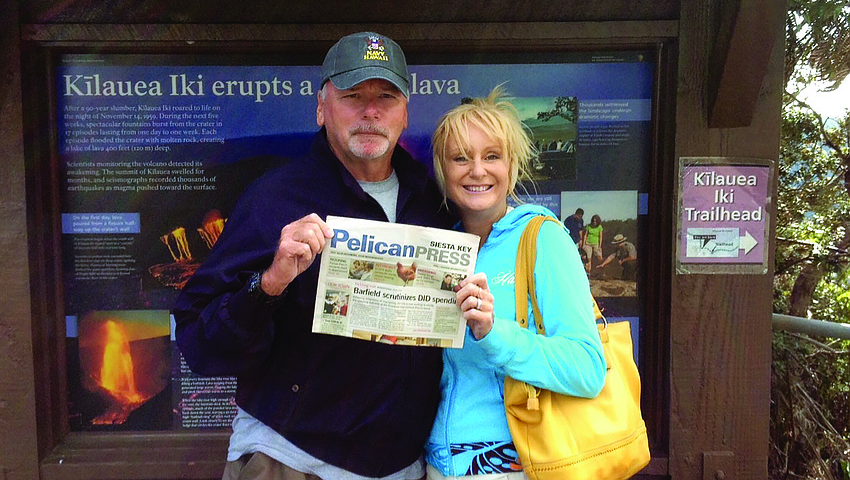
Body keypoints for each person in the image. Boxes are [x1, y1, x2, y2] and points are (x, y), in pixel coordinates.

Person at [173, 32, 453, 480]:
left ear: (405, 112)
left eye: (385, 96)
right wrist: (269, 284)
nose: (370, 111)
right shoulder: (276, 198)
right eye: (352, 96)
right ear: (322, 108)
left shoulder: (435, 200)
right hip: (291, 460)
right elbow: (199, 342)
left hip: (404, 466)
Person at [425, 88, 606, 478]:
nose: (477, 170)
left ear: (512, 166)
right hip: (438, 463)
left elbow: (588, 369)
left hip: (516, 463)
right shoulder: (442, 246)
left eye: (492, 156)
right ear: (443, 168)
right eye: (461, 158)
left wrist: (494, 333)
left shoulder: (543, 238)